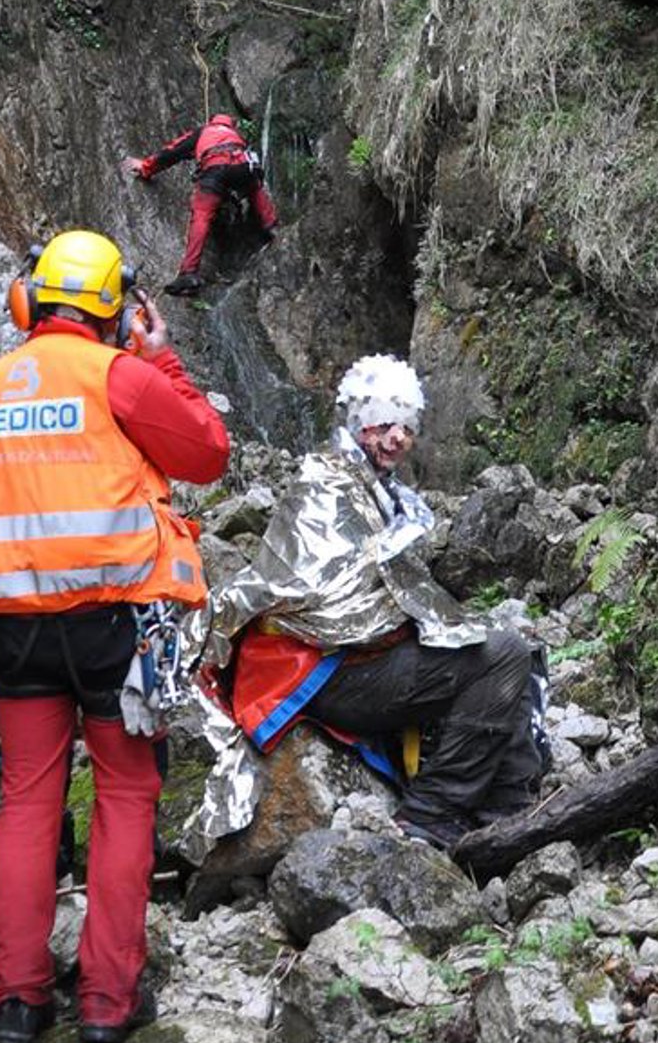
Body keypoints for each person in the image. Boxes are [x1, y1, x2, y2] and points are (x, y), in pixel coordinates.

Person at [0, 228, 230, 1043]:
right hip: (114, 630)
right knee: (124, 792)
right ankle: (107, 1000)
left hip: (14, 636)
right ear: (118, 312)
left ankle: (16, 1000)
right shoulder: (119, 374)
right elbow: (207, 452)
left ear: (29, 302)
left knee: (26, 801)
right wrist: (161, 359)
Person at [216, 355, 546, 851]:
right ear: (358, 421)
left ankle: (511, 808)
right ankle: (433, 810)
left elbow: (392, 590)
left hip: (359, 660)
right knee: (503, 656)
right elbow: (329, 594)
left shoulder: (379, 491)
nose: (397, 438)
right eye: (384, 424)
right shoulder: (325, 482)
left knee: (509, 650)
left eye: (407, 428)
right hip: (321, 670)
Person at [123, 109, 279, 296]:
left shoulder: (204, 131)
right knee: (254, 186)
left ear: (212, 121)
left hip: (215, 168)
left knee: (201, 216)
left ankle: (188, 273)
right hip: (243, 165)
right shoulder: (236, 136)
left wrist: (146, 168)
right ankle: (271, 226)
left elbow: (173, 151)